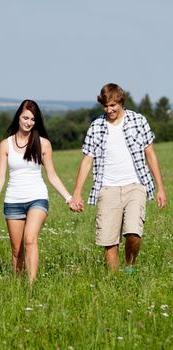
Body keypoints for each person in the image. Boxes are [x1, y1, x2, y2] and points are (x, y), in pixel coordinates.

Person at [70, 83, 167, 272]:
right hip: (107, 188)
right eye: (106, 106)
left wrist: (160, 188)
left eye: (113, 105)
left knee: (133, 233)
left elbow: (151, 155)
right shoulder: (96, 126)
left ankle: (130, 267)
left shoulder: (138, 121)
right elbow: (87, 161)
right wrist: (77, 193)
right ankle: (115, 279)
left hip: (135, 185)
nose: (109, 110)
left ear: (121, 102)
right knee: (109, 239)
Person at [0, 99, 75, 282]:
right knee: (17, 250)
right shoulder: (6, 145)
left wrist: (69, 198)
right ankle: (17, 286)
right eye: (25, 118)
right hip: (13, 201)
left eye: (33, 119)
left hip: (37, 198)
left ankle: (31, 286)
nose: (28, 122)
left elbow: (52, 175)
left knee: (30, 239)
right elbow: (0, 177)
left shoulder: (43, 144)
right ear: (18, 117)